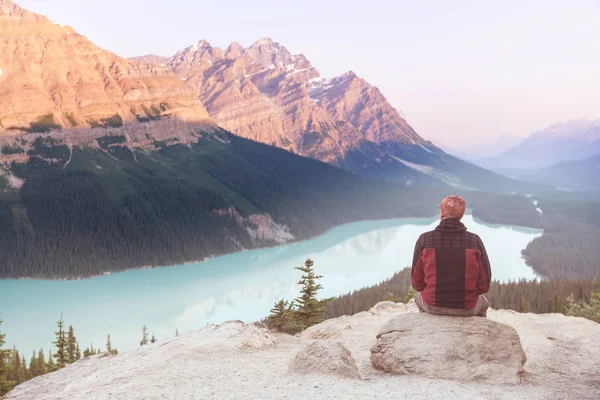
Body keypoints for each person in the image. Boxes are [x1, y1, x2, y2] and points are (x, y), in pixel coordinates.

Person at [411, 195, 491, 317]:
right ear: (462, 215)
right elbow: (484, 285)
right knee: (483, 302)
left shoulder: (424, 240)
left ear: (442, 212)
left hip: (432, 306)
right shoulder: (474, 241)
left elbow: (417, 284)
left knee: (418, 298)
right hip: (467, 308)